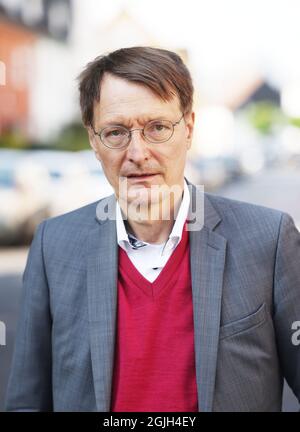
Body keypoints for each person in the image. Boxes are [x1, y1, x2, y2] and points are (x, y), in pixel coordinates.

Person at [5, 46, 300, 412]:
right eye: (115, 132)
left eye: (157, 128)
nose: (138, 152)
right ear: (94, 142)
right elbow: (27, 403)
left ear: (188, 129)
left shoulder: (268, 241)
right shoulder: (54, 246)